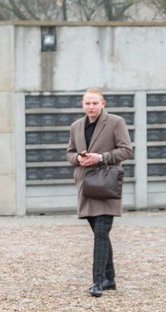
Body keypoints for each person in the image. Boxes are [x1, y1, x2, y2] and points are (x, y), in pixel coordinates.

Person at [66, 88, 133, 297]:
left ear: (103, 103)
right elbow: (70, 153)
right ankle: (109, 279)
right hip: (86, 186)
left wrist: (101, 158)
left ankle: (98, 282)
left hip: (106, 185)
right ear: (82, 104)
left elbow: (127, 150)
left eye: (95, 103)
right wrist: (78, 158)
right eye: (87, 103)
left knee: (101, 233)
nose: (91, 107)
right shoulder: (76, 126)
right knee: (99, 233)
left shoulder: (116, 122)